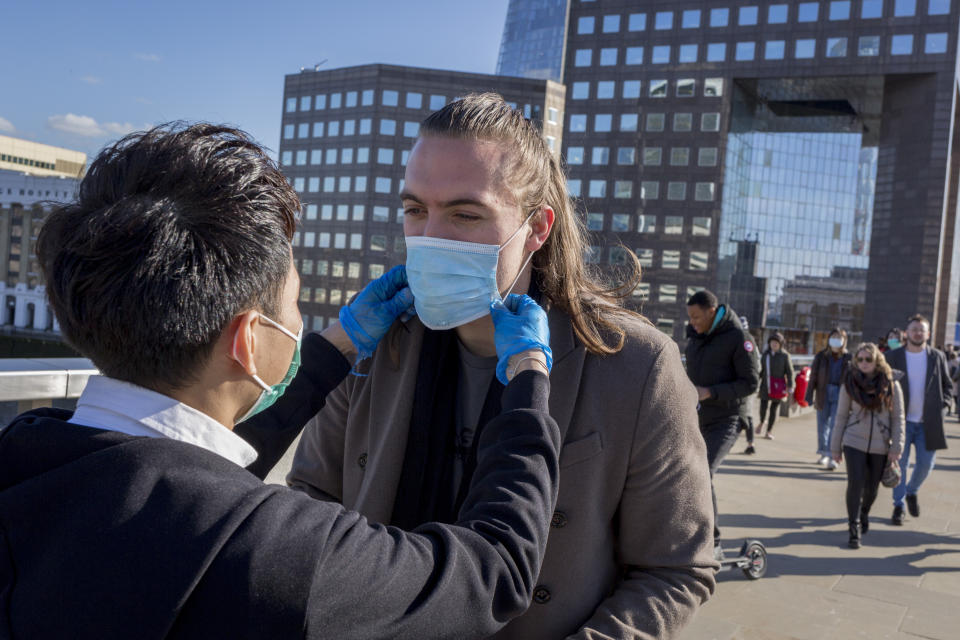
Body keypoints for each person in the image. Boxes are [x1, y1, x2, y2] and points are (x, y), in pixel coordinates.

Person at [0, 123, 564, 639]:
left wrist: (335, 349)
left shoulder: (24, 453)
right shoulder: (283, 555)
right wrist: (527, 378)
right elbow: (494, 572)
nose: (301, 324)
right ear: (248, 340)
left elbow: (189, 466)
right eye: (292, 303)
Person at [247, 94, 717, 639]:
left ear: (536, 230)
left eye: (465, 214)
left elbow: (675, 569)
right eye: (415, 210)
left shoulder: (634, 363)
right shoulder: (375, 344)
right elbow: (312, 498)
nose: (432, 237)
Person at [685, 289, 760, 559]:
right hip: (698, 417)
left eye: (696, 317)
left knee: (704, 472)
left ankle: (714, 543)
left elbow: (751, 383)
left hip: (728, 417)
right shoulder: (695, 338)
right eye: (689, 318)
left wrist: (712, 392)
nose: (692, 322)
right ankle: (690, 533)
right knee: (685, 473)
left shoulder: (739, 338)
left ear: (712, 310)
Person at [830, 343, 905, 549]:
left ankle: (864, 512)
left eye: (868, 359)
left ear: (877, 361)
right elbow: (841, 416)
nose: (863, 363)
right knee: (855, 483)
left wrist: (897, 446)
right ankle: (853, 526)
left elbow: (898, 418)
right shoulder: (849, 384)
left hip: (881, 444)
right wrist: (835, 447)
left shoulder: (891, 385)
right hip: (854, 441)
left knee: (871, 488)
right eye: (860, 359)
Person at [884, 314, 952, 525]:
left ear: (928, 334)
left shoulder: (937, 356)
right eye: (914, 329)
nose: (918, 333)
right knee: (899, 466)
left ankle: (912, 491)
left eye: (922, 329)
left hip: (928, 423)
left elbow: (947, 385)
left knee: (926, 465)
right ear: (907, 333)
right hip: (901, 422)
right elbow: (882, 385)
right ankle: (899, 505)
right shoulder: (893, 356)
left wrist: (944, 405)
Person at [806, 328, 852, 469]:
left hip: (841, 394)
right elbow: (813, 376)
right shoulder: (821, 356)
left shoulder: (848, 358)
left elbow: (852, 378)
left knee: (836, 426)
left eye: (839, 337)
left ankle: (833, 455)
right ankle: (823, 453)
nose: (836, 339)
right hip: (823, 392)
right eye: (834, 336)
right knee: (822, 425)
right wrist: (808, 395)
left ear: (844, 340)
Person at [757, 331, 795, 440]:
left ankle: (769, 431)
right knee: (763, 406)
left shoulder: (785, 355)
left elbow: (790, 372)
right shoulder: (766, 355)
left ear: (780, 344)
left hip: (778, 387)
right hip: (765, 385)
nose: (774, 344)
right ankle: (761, 422)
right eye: (772, 342)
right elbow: (761, 370)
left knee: (774, 409)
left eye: (776, 343)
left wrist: (791, 386)